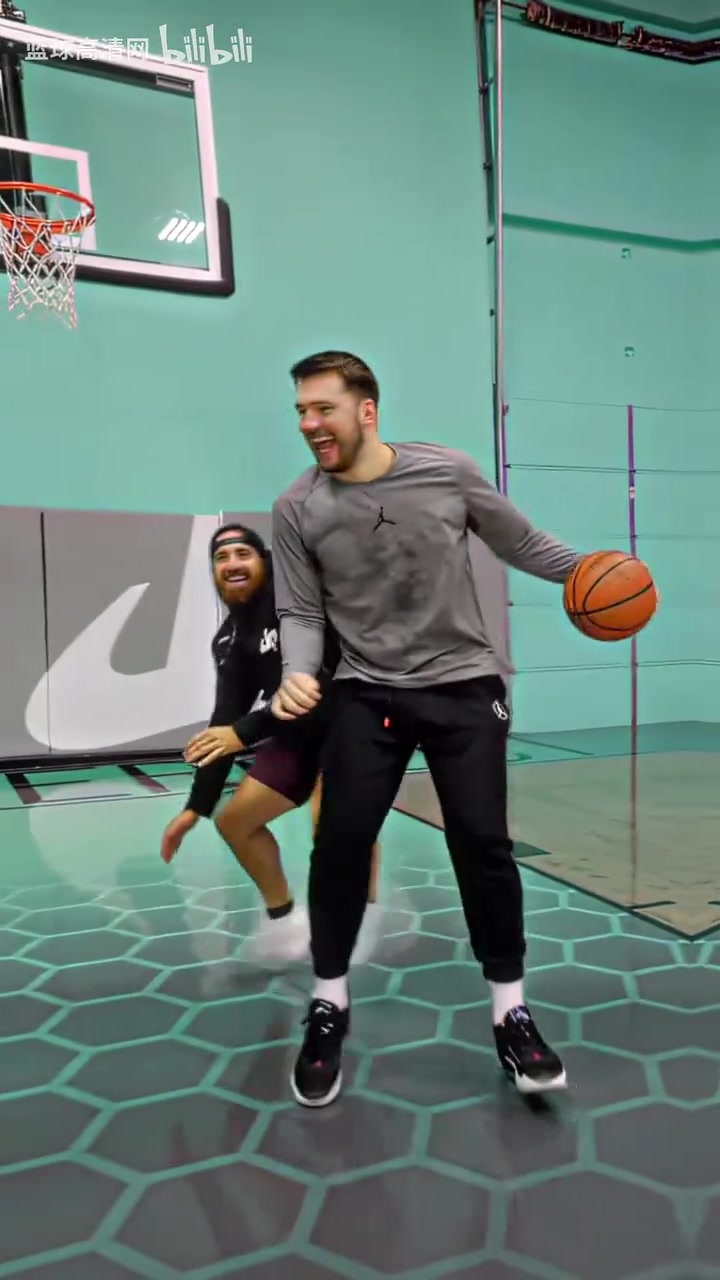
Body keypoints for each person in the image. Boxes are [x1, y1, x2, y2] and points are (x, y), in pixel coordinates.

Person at [271, 350, 583, 1108]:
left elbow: (519, 540)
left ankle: (511, 1013)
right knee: (340, 842)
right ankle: (329, 1000)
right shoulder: (298, 506)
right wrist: (297, 672)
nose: (309, 424)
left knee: (482, 843)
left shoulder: (446, 471)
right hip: (366, 690)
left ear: (366, 410)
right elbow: (302, 611)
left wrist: (590, 570)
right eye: (301, 411)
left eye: (323, 408)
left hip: (464, 687)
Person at [160, 522, 382, 967]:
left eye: (243, 553)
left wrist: (243, 733)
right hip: (295, 734)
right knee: (235, 823)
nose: (232, 564)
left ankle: (361, 924)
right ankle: (285, 921)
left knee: (334, 828)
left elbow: (320, 687)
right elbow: (224, 724)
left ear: (264, 561)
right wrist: (197, 806)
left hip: (349, 723)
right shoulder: (229, 639)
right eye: (221, 558)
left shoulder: (299, 604)